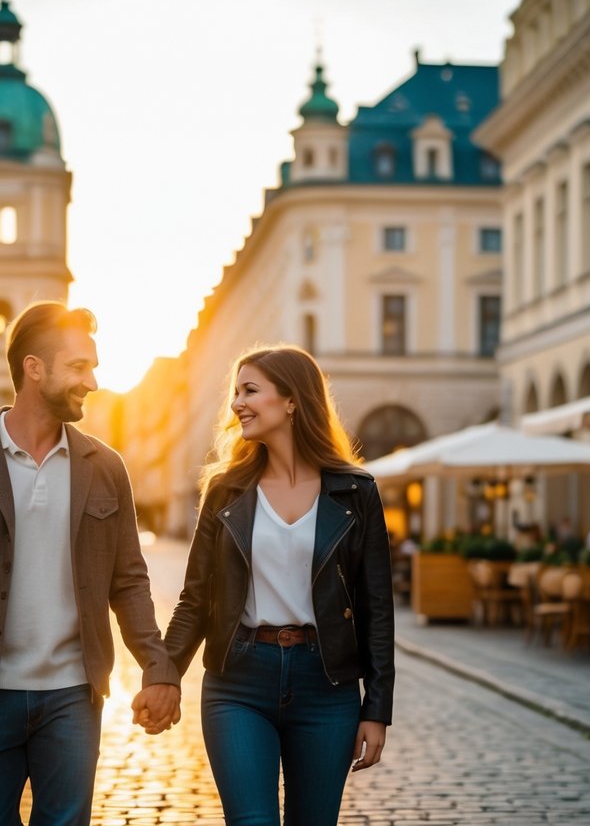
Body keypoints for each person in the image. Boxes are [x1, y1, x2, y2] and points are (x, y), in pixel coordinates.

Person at [0, 301, 180, 826]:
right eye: (79, 366)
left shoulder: (106, 468)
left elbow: (130, 581)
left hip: (73, 698)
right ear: (34, 368)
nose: (92, 382)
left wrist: (157, 667)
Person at [164, 344, 395, 826]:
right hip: (238, 681)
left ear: (291, 401)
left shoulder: (356, 492)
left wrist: (376, 709)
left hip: (326, 686)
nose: (236, 404)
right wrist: (165, 675)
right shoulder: (226, 490)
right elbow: (195, 597)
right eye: (235, 392)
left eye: (250, 390)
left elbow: (377, 608)